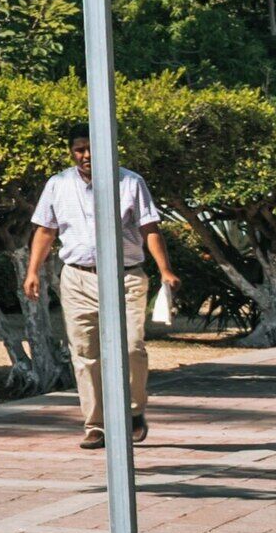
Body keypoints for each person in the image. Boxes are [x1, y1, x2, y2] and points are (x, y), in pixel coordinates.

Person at [24, 135, 175, 448]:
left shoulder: (131, 182)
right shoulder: (58, 184)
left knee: (132, 346)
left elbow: (150, 229)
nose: (86, 155)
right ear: (72, 152)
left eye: (92, 147)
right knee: (85, 353)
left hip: (125, 277)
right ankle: (96, 425)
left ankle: (134, 412)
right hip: (78, 279)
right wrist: (32, 272)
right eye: (79, 149)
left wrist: (165, 270)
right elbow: (45, 230)